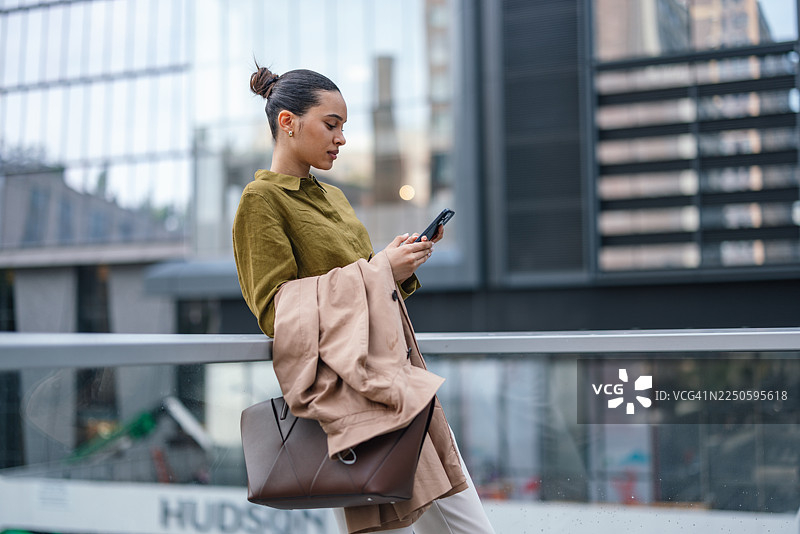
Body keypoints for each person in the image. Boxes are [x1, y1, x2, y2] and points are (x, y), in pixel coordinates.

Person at [233, 65, 495, 534]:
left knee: (464, 523)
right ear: (288, 123)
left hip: (397, 379)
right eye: (331, 124)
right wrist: (378, 271)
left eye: (343, 127)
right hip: (350, 395)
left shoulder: (334, 198)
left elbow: (360, 282)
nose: (341, 138)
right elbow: (275, 311)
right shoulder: (261, 201)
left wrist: (395, 265)